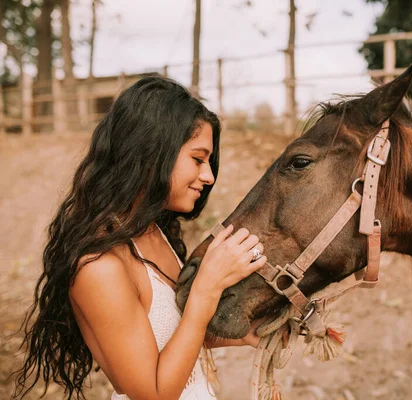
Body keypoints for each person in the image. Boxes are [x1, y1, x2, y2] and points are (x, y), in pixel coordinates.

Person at [13, 76, 267, 400]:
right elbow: (154, 393)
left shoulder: (154, 233)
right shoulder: (98, 267)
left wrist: (247, 332)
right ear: (151, 152)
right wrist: (207, 286)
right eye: (197, 159)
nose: (209, 176)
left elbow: (174, 336)